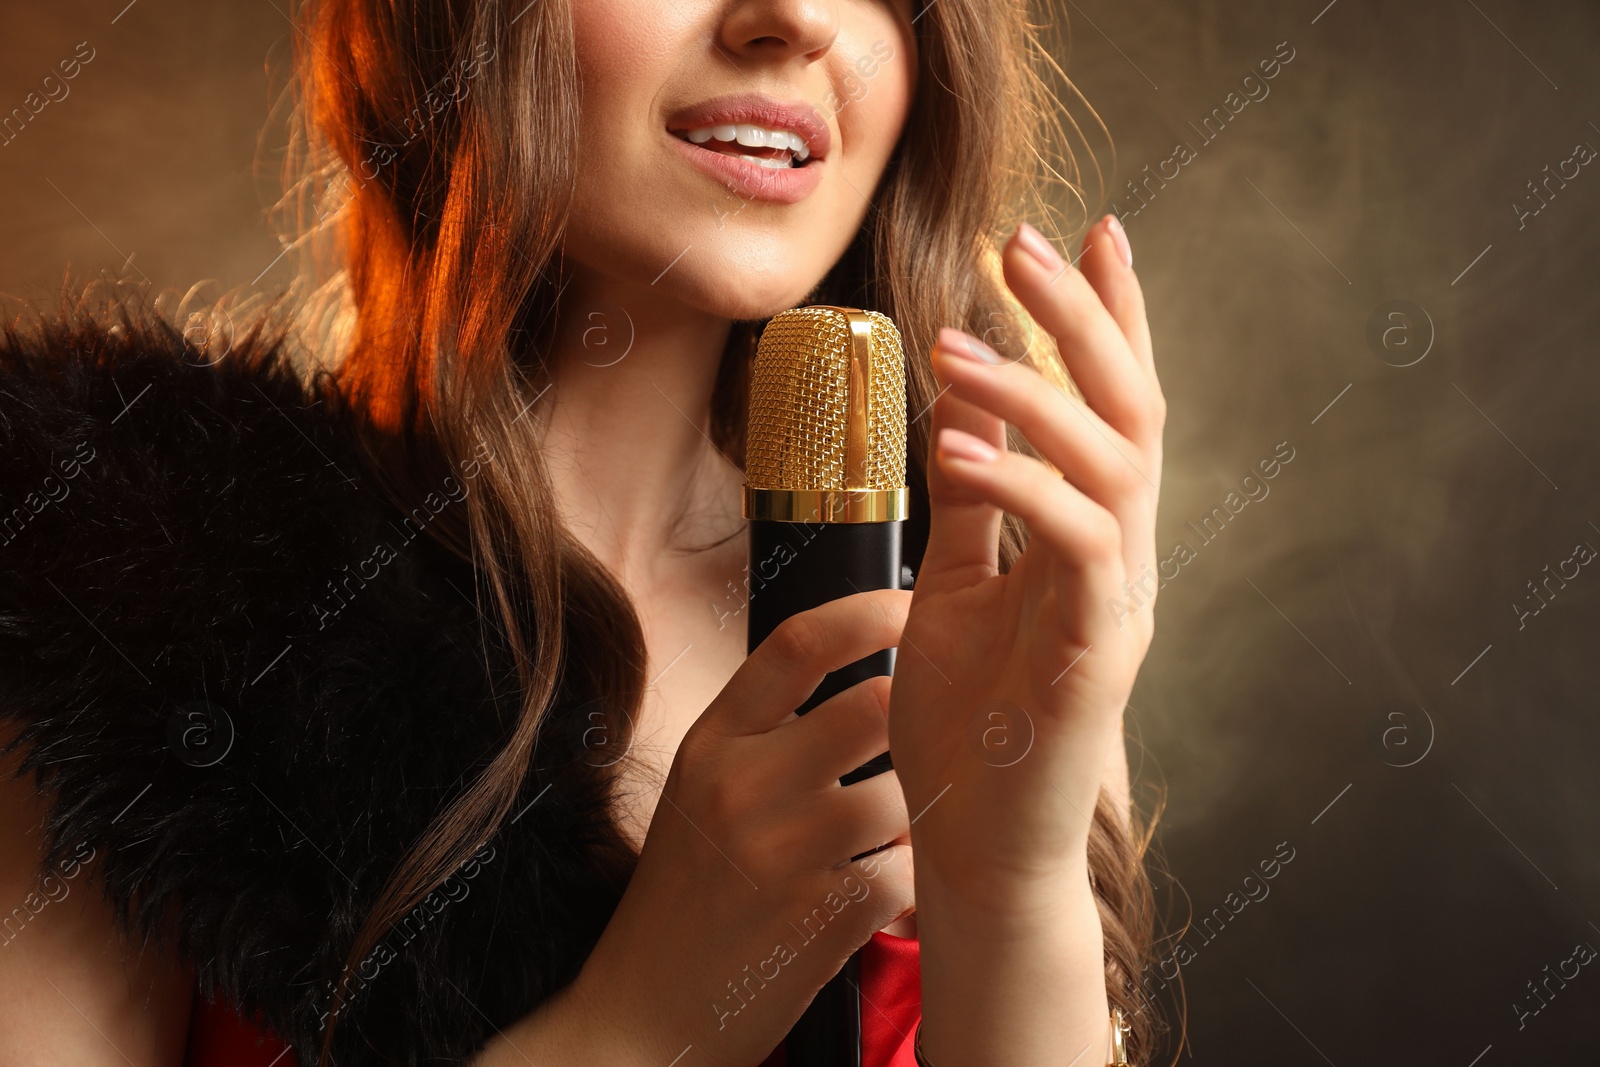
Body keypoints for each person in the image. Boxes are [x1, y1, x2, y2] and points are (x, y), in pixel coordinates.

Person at [0, 1, 1167, 1064]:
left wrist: (1010, 900)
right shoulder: (122, 595)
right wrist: (638, 1027)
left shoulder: (979, 628)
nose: (796, 20)